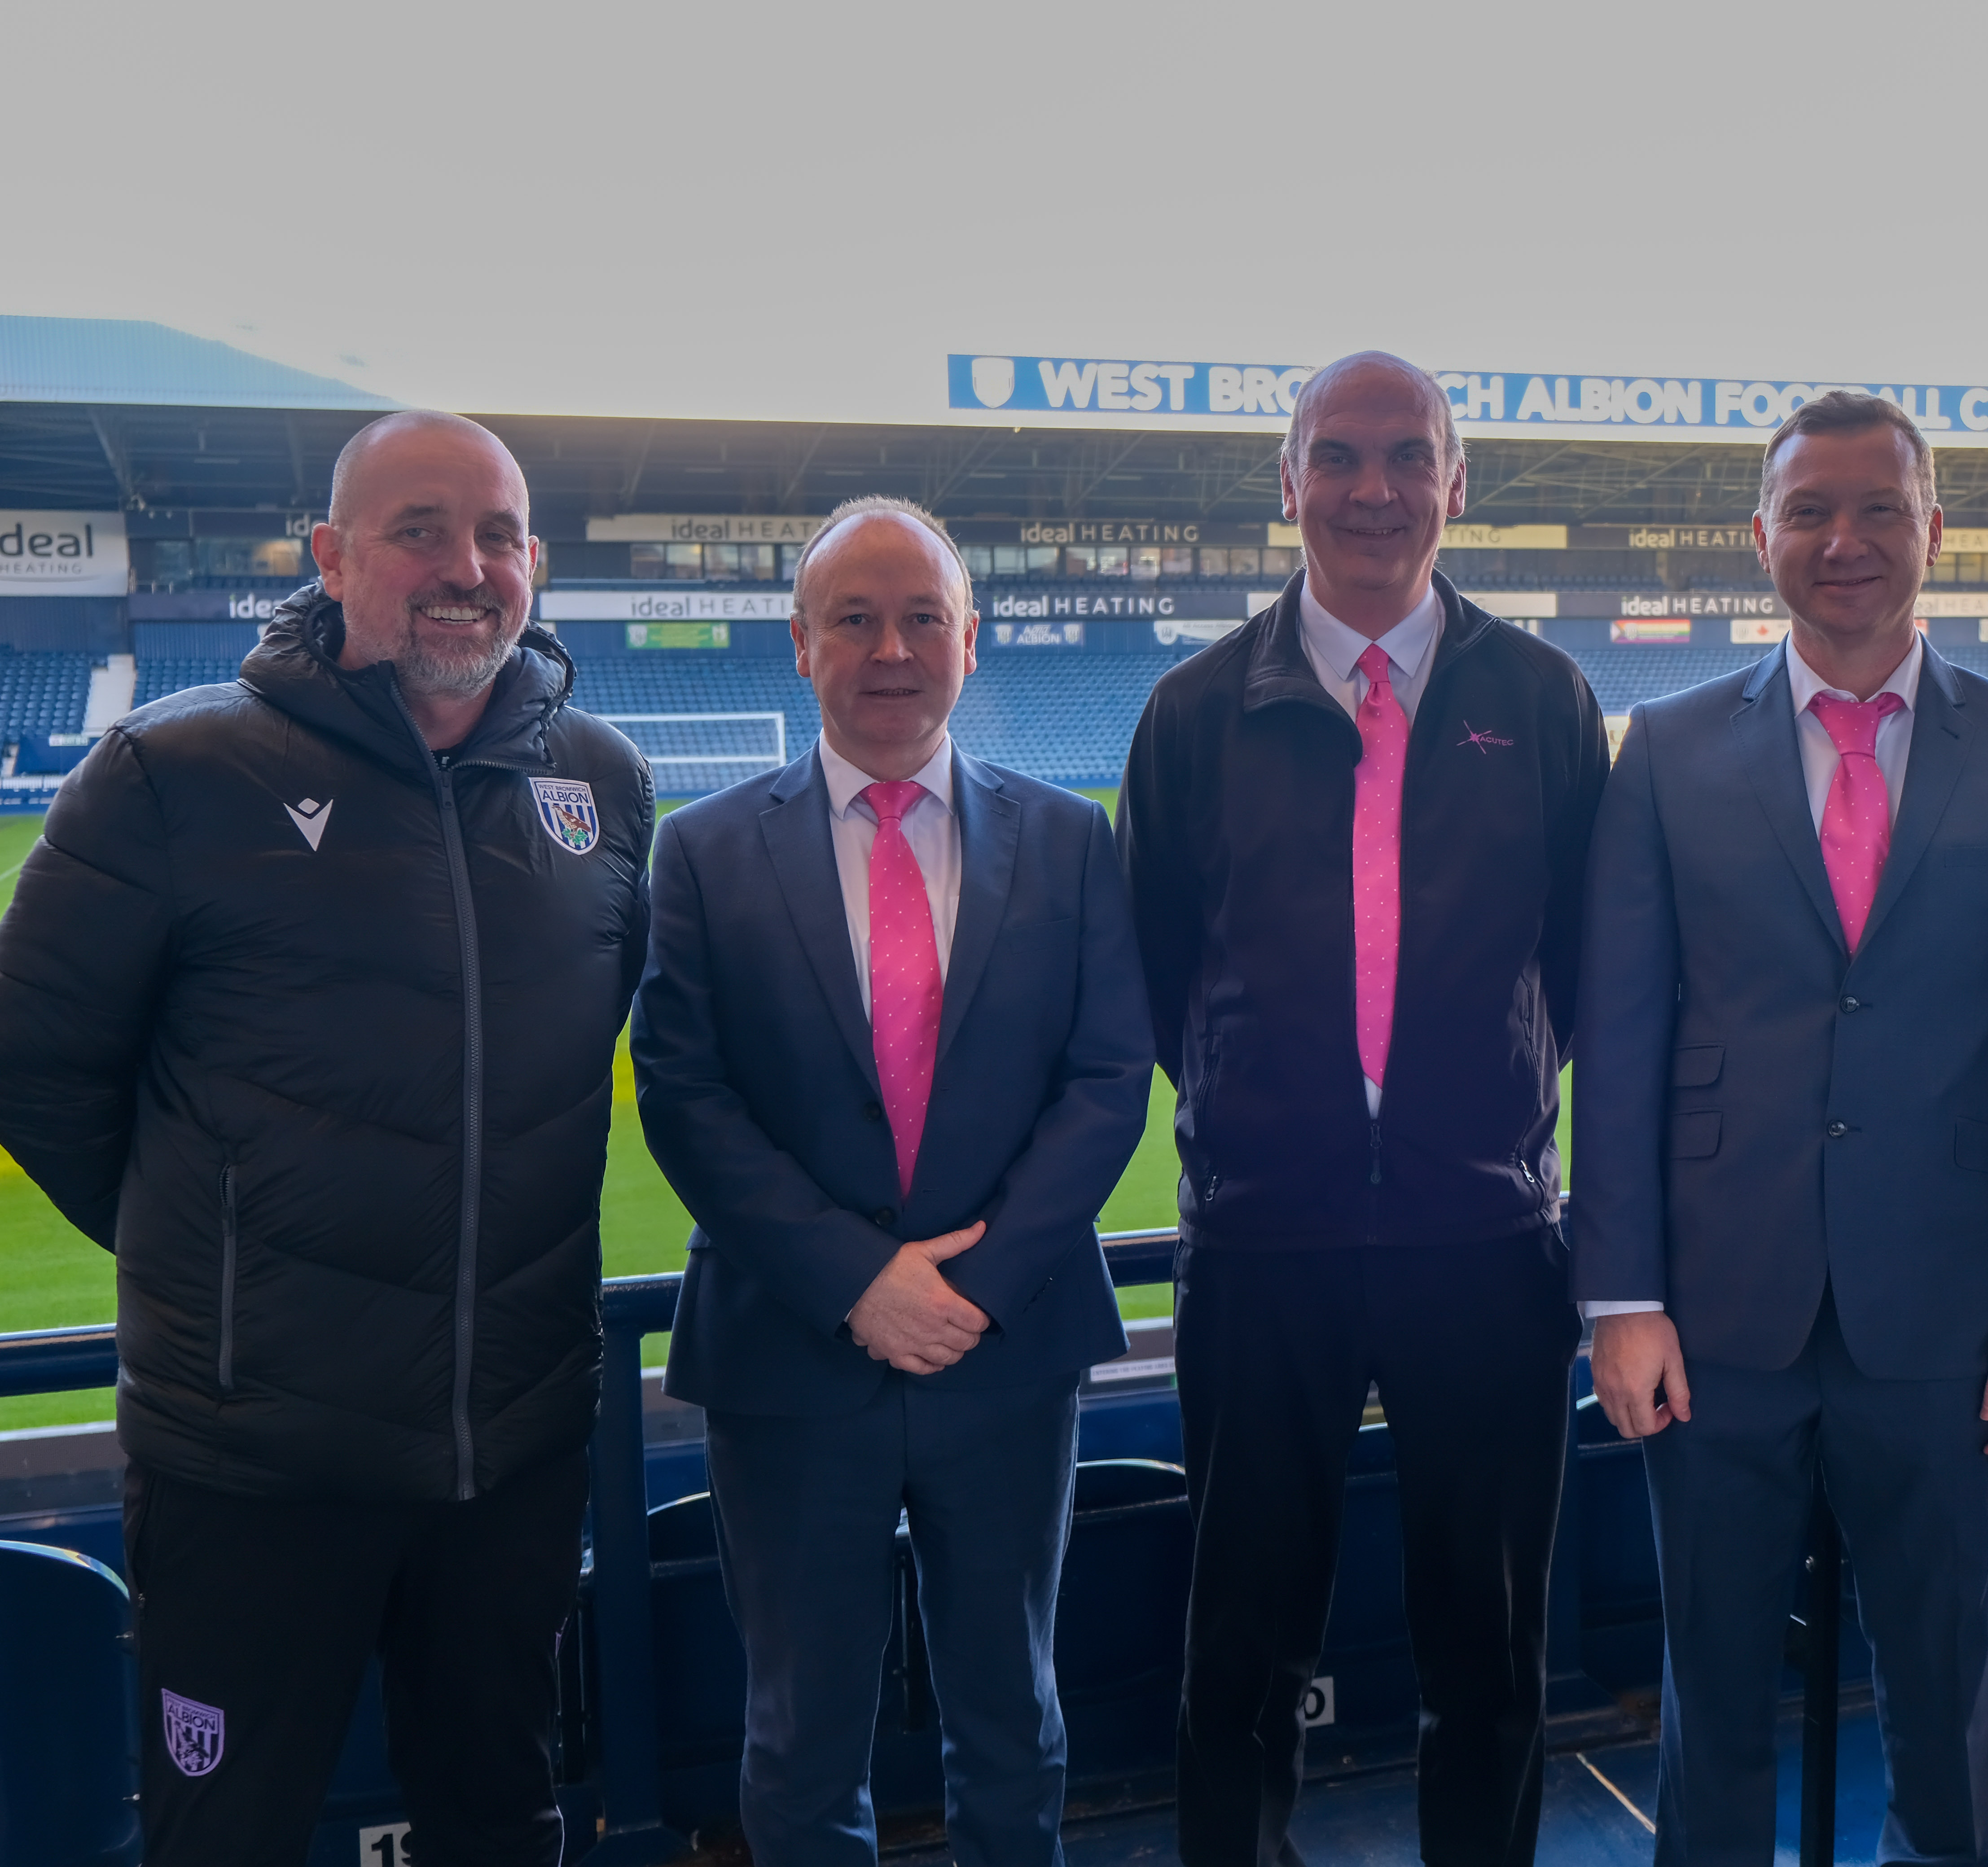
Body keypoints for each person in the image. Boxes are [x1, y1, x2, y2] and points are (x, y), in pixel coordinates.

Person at [0, 411, 653, 1865]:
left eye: (497, 534)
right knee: (224, 1834)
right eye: (420, 528)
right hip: (253, 1467)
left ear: (536, 561)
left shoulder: (600, 787)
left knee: (503, 1817)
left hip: (514, 1450)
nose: (466, 565)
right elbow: (34, 1065)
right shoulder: (173, 775)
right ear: (331, 555)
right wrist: (224, 1251)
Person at [1571, 391, 1988, 1866]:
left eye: (1880, 507)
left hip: (1947, 1310)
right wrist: (1620, 1296)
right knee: (1715, 1685)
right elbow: (1614, 1040)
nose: (1845, 540)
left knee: (1944, 1683)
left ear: (1933, 529)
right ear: (1761, 537)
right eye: (1810, 509)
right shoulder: (1671, 751)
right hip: (1713, 1307)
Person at [1116, 351, 1610, 1867]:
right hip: (1268, 1248)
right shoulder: (1196, 713)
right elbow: (1156, 975)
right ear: (1290, 486)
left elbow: (1581, 966)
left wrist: (1486, 1125)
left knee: (1494, 1655)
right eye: (1340, 456)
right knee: (1240, 1654)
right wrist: (1268, 1129)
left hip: (1486, 1243)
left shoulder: (1541, 698)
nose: (1375, 489)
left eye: (1411, 457)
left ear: (1459, 487)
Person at [632, 495, 1151, 1866]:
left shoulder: (1068, 841)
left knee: (1012, 1716)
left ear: (971, 642)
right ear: (799, 644)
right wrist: (858, 1284)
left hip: (1007, 1352)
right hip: (795, 1358)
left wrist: (965, 1291)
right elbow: (683, 1097)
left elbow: (1109, 1084)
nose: (890, 647)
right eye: (853, 618)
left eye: (923, 616)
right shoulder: (700, 851)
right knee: (801, 1736)